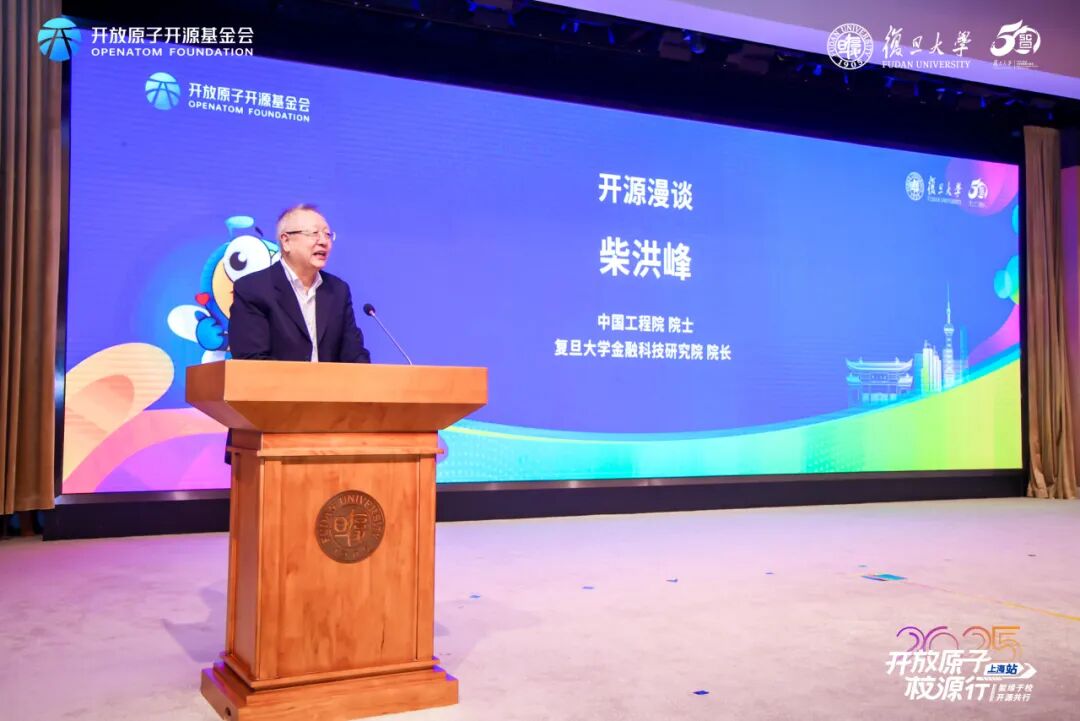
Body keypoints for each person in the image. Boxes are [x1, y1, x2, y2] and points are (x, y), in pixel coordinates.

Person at [229, 203, 371, 363]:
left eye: (327, 235)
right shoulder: (253, 289)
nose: (324, 242)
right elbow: (252, 360)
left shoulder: (338, 290)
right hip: (274, 380)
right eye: (314, 233)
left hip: (331, 381)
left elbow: (354, 354)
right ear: (286, 241)